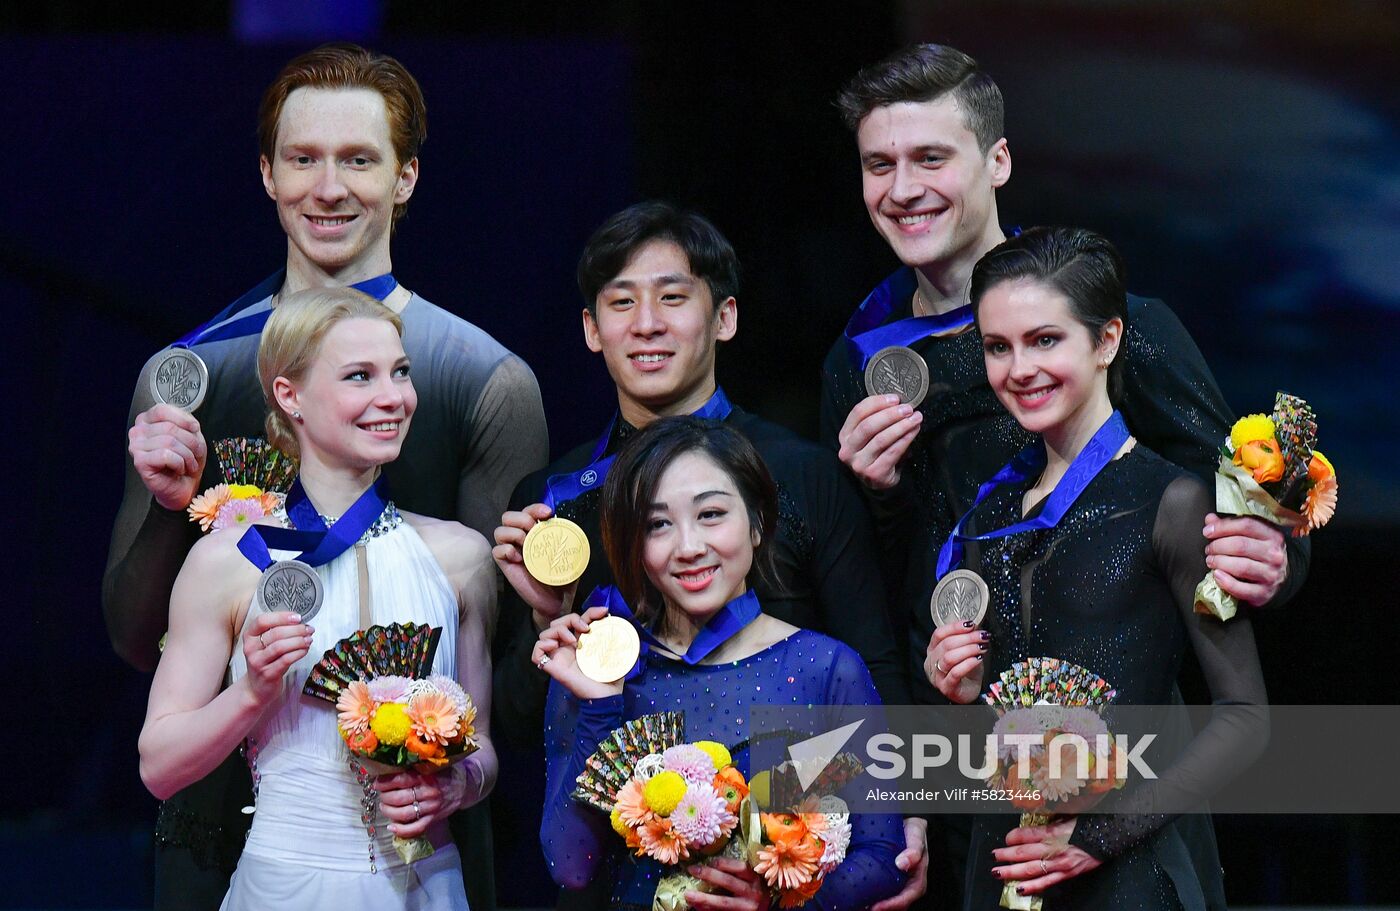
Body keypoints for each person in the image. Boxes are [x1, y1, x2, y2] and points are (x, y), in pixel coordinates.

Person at [817, 46, 1300, 904]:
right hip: (953, 754)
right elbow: (861, 594)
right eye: (878, 164)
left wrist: (1275, 558)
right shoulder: (859, 361)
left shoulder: (1127, 324)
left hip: (1116, 770)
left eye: (932, 157)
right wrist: (877, 497)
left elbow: (1231, 511)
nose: (903, 188)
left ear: (997, 160)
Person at [106, 43, 543, 910]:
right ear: (267, 174)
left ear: (407, 176)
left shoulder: (484, 379)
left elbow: (502, 661)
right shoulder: (188, 372)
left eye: (359, 160)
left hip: (418, 827)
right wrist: (168, 510)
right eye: (303, 159)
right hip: (222, 824)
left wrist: (455, 777)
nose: (328, 187)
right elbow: (131, 633)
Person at [491, 201, 926, 908]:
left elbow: (870, 661)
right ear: (590, 329)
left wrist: (904, 814)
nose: (648, 323)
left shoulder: (803, 474)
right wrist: (549, 616)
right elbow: (520, 727)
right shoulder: (554, 499)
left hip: (780, 865)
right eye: (621, 302)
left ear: (723, 317)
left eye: (672, 297)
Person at [926, 227, 1267, 909]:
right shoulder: (988, 512)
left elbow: (1244, 720)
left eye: (1045, 339)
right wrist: (954, 686)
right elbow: (991, 721)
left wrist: (1101, 835)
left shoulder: (1171, 500)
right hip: (1004, 864)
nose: (1019, 368)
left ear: (1107, 340)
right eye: (999, 346)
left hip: (1125, 870)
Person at [139, 288, 498, 909]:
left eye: (401, 372)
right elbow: (159, 767)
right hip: (285, 883)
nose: (393, 397)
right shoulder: (227, 561)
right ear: (290, 396)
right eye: (361, 376)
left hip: (428, 885)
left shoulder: (460, 557)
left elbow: (484, 747)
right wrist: (250, 692)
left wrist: (457, 786)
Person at [534, 416, 908, 909]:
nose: (689, 547)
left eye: (711, 514)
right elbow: (570, 867)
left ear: (757, 524)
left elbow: (883, 857)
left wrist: (779, 902)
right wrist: (600, 707)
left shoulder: (827, 669)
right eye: (658, 524)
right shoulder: (597, 671)